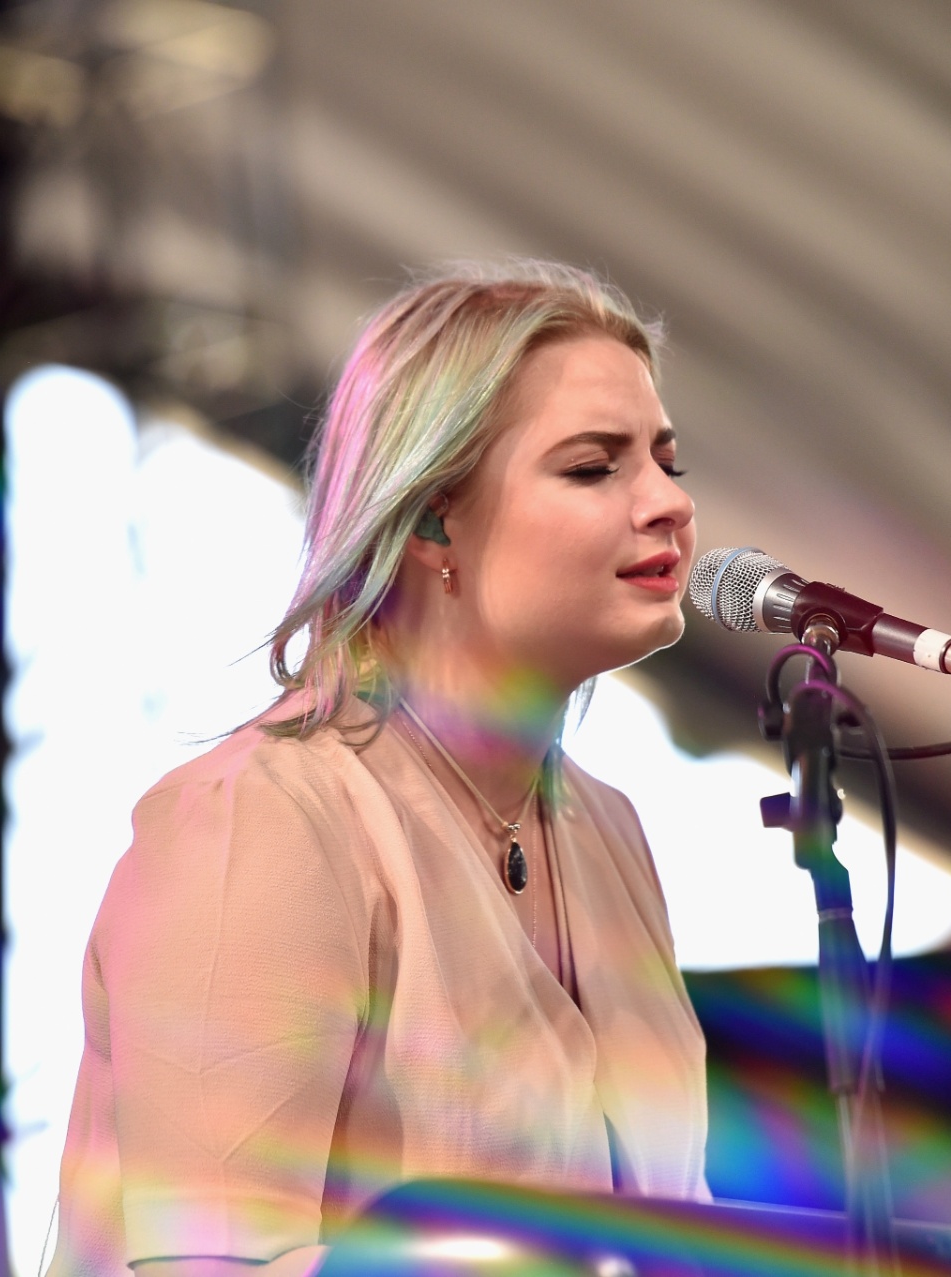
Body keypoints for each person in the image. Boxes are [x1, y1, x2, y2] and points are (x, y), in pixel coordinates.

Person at [43, 262, 709, 1277]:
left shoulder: (603, 827)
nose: (666, 502)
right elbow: (210, 1264)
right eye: (593, 467)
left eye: (669, 460)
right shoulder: (263, 818)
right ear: (435, 514)